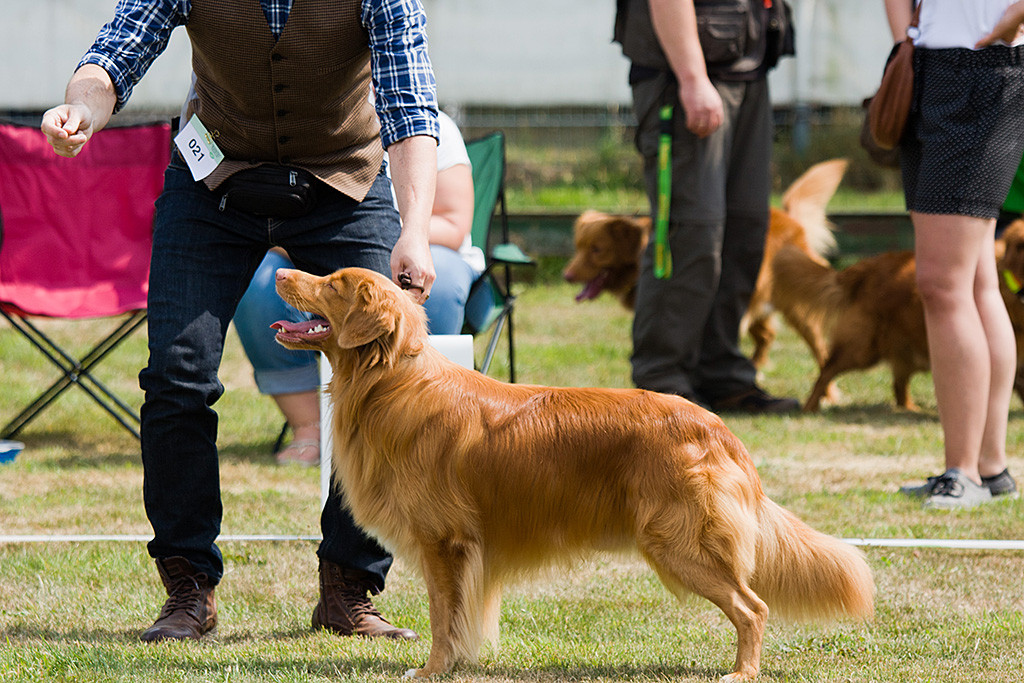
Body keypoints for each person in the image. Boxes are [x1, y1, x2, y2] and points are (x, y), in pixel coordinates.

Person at [41, 0, 439, 642]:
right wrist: (82, 109)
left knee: (385, 377)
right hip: (211, 185)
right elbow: (118, 49)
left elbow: (410, 101)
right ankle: (187, 588)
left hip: (345, 183)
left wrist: (415, 230)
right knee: (177, 377)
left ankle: (349, 589)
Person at [232, 110, 487, 466]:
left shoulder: (436, 127)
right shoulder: (307, 122)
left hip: (425, 247)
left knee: (435, 285)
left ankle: (419, 423)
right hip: (319, 248)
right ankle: (309, 427)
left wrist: (387, 240)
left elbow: (453, 223)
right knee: (257, 282)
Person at [613, 0, 799, 414]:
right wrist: (692, 77)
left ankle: (722, 375)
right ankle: (663, 380)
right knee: (691, 231)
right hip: (683, 77)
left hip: (746, 70)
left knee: (745, 230)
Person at [888, 0, 1024, 508]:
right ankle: (988, 468)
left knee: (943, 285)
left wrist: (1010, 22)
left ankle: (962, 471)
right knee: (972, 281)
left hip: (982, 68)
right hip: (929, 65)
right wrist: (907, 39)